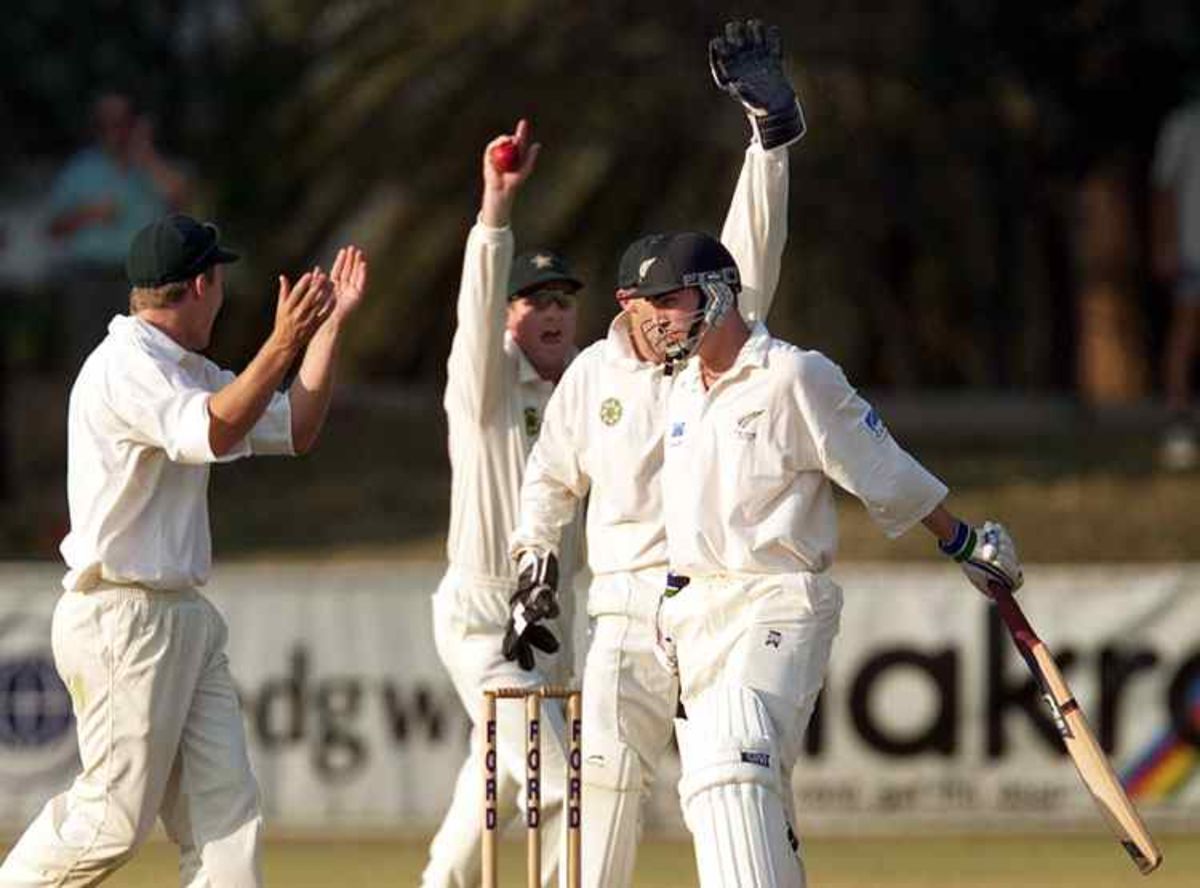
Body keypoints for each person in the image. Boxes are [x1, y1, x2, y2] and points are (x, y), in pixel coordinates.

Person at [505, 19, 802, 887]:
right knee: (601, 783)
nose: (663, 313)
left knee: (743, 783)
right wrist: (532, 565)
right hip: (626, 609)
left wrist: (768, 142)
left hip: (718, 600)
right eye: (648, 299)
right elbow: (550, 479)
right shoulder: (593, 375)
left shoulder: (713, 352)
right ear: (627, 302)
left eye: (674, 297)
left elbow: (751, 250)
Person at [639, 230, 1022, 887]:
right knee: (733, 799)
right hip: (696, 618)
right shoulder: (681, 392)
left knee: (733, 754)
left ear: (716, 294)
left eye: (667, 300)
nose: (654, 319)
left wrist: (960, 539)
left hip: (779, 600)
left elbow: (880, 467)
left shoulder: (794, 374)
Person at [0, 214, 368, 887]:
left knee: (227, 830)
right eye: (221, 280)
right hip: (122, 618)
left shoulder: (186, 368)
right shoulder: (127, 365)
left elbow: (297, 427)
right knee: (112, 819)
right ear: (202, 283)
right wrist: (282, 342)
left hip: (182, 619)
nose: (223, 295)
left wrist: (330, 325)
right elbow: (213, 434)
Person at [421, 120, 584, 888]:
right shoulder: (486, 390)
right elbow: (476, 311)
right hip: (485, 620)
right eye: (534, 301)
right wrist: (495, 211)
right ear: (512, 320)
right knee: (559, 782)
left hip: (557, 623)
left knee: (497, 783)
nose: (551, 313)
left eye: (562, 300)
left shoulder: (592, 395)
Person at [46, 92, 191, 371]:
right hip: (89, 277)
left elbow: (182, 198)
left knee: (147, 358)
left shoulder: (151, 165)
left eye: (120, 122)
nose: (113, 131)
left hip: (142, 282)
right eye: (105, 124)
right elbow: (53, 228)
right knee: (88, 357)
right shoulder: (80, 169)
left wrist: (145, 156)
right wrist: (87, 214)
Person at [1151, 95, 1200, 470]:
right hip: (1192, 248)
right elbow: (1163, 188)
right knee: (1186, 333)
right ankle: (1178, 425)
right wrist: (1165, 243)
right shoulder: (1184, 123)